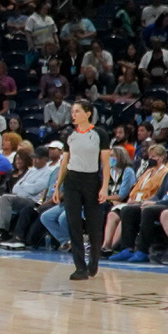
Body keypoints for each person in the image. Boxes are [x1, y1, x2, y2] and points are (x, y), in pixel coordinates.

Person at [55, 100, 111, 280]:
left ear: (87, 113)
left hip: (91, 180)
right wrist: (57, 187)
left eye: (77, 111)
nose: (73, 115)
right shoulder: (69, 135)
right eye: (72, 111)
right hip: (72, 181)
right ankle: (79, 266)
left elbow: (105, 164)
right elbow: (64, 162)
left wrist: (104, 187)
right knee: (74, 224)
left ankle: (93, 263)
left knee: (94, 225)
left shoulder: (99, 134)